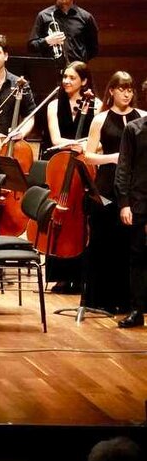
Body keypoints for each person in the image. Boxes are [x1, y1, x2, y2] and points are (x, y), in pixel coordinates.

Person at [82, 72, 144, 314]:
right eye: (121, 89)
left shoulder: (142, 118)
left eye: (130, 89)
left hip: (131, 187)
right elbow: (88, 155)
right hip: (107, 185)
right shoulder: (101, 119)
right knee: (104, 242)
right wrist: (114, 158)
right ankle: (103, 299)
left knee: (128, 244)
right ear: (111, 91)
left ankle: (129, 300)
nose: (126, 94)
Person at [43, 61, 102, 294]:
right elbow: (57, 140)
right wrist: (80, 143)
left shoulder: (96, 106)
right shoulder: (54, 105)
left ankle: (81, 274)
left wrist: (84, 145)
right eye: (65, 77)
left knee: (81, 216)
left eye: (72, 78)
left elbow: (97, 142)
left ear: (84, 81)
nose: (66, 81)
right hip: (60, 165)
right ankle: (59, 274)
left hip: (85, 165)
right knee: (59, 213)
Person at [114, 83, 147, 328]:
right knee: (137, 256)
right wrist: (124, 203)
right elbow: (123, 167)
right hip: (139, 201)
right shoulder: (134, 130)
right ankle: (137, 309)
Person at [27, 0, 99, 64]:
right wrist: (47, 41)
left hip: (76, 72)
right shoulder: (44, 16)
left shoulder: (86, 17)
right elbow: (31, 47)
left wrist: (79, 62)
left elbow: (93, 49)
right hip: (52, 71)